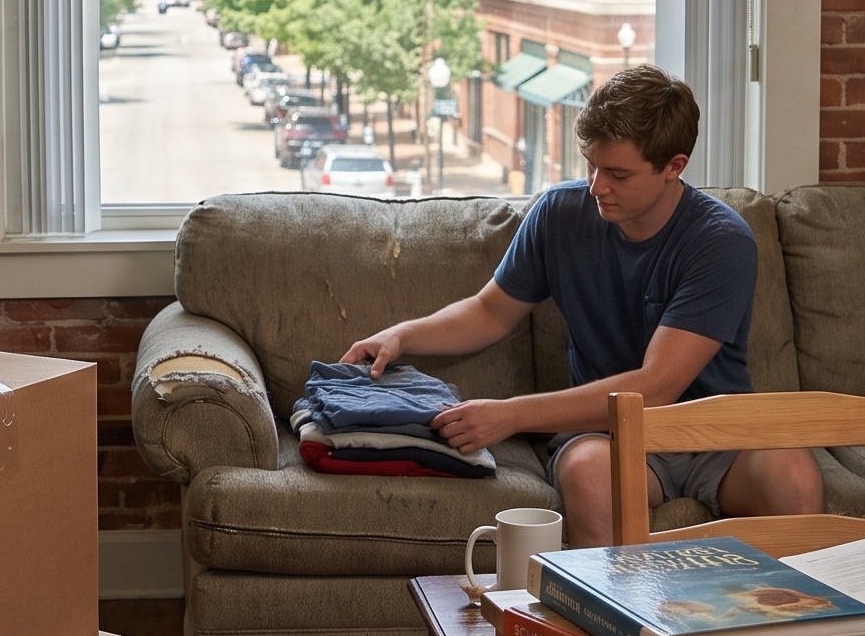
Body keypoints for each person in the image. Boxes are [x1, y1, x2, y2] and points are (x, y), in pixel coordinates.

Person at [342, 65, 823, 553]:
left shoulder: (721, 241)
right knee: (589, 475)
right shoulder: (559, 214)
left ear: (674, 166)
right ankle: (616, 625)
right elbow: (490, 312)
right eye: (590, 165)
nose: (596, 186)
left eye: (617, 173)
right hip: (607, 436)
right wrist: (403, 334)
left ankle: (783, 626)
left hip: (717, 435)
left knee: (795, 481)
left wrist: (510, 414)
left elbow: (655, 386)